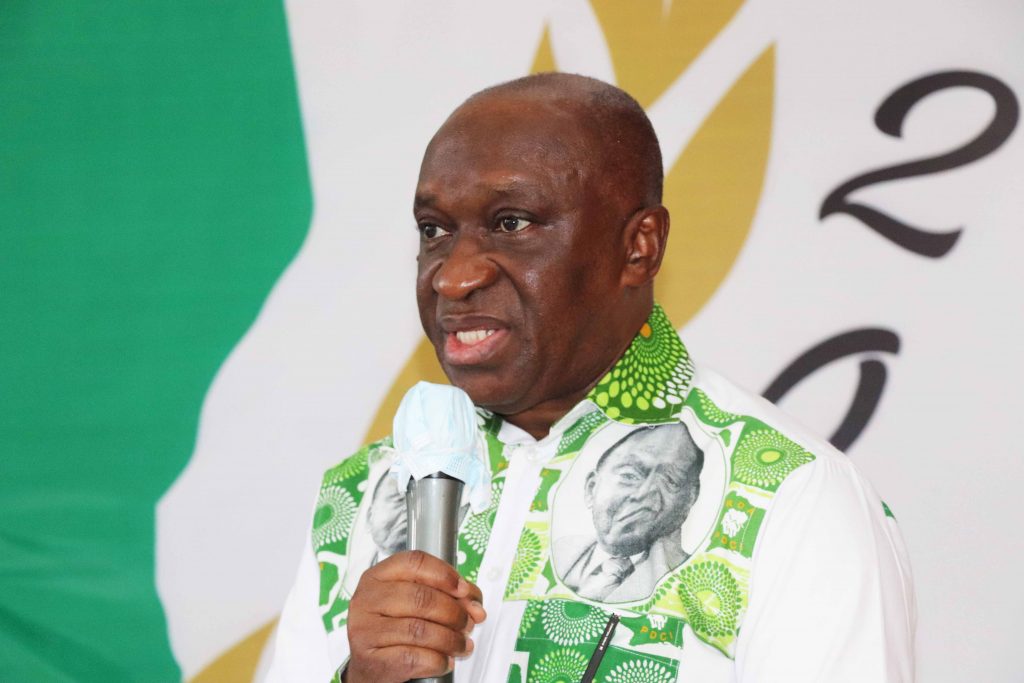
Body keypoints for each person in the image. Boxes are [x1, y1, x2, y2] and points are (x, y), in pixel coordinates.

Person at [267, 73, 915, 683]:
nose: (454, 277)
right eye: (434, 230)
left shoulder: (787, 497)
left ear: (639, 247)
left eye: (512, 223)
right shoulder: (364, 493)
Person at [556, 423, 704, 603]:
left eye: (670, 481)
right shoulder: (558, 551)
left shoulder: (696, 586)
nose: (643, 494)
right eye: (629, 475)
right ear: (591, 488)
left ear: (690, 500)